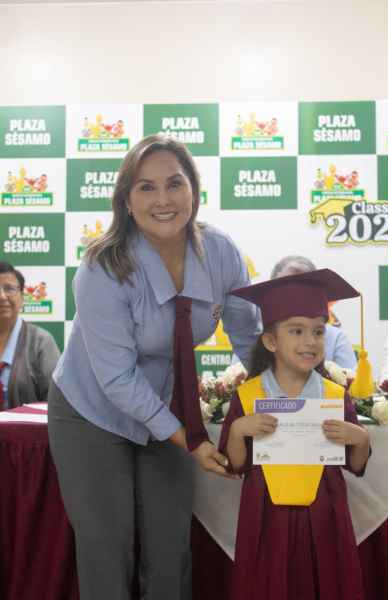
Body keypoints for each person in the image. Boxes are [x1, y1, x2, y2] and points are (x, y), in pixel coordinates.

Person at [47, 134, 261, 600]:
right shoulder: (102, 266)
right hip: (91, 412)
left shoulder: (221, 252)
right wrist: (192, 440)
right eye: (146, 187)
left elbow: (248, 334)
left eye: (174, 183)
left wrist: (285, 399)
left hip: (168, 402)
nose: (163, 199)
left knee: (170, 548)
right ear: (126, 200)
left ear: (194, 190)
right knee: (107, 550)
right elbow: (117, 379)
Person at [219, 269, 370, 600]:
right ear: (271, 341)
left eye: (318, 331)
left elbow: (355, 464)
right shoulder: (248, 395)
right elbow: (235, 464)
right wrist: (238, 431)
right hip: (266, 514)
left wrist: (361, 439)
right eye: (297, 331)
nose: (310, 341)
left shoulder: (335, 396)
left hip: (325, 512)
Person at [270, 255, 357, 369]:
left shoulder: (336, 339)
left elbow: (350, 379)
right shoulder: (258, 336)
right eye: (287, 290)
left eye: (304, 289)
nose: (296, 297)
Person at [0, 261, 60, 409]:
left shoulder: (41, 342)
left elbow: (56, 402)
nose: (2, 296)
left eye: (9, 289)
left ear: (22, 297)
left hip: (26, 424)